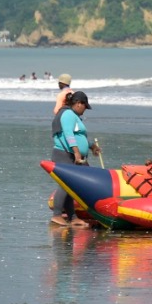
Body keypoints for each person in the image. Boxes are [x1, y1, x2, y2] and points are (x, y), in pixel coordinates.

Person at [50, 91, 96, 227]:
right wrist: (76, 152)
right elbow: (68, 134)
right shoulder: (68, 114)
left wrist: (92, 146)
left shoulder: (74, 116)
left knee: (72, 186)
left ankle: (72, 217)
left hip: (71, 155)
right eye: (85, 106)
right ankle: (57, 215)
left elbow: (79, 136)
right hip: (64, 154)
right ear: (78, 103)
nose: (85, 110)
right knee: (66, 184)